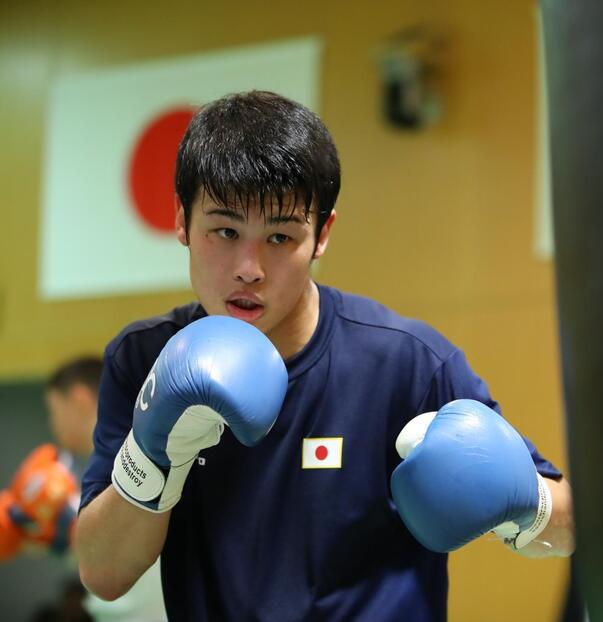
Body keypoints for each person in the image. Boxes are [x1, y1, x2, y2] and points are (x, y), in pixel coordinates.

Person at [75, 90, 575, 621]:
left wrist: (524, 503)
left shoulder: (405, 363)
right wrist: (153, 457)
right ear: (181, 220)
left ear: (322, 235)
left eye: (280, 236)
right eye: (225, 230)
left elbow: (573, 527)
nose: (250, 267)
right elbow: (103, 575)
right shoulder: (145, 358)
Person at [45, 357, 167, 622]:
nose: (52, 423)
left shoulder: (137, 449)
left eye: (54, 410)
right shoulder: (96, 468)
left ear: (79, 399)